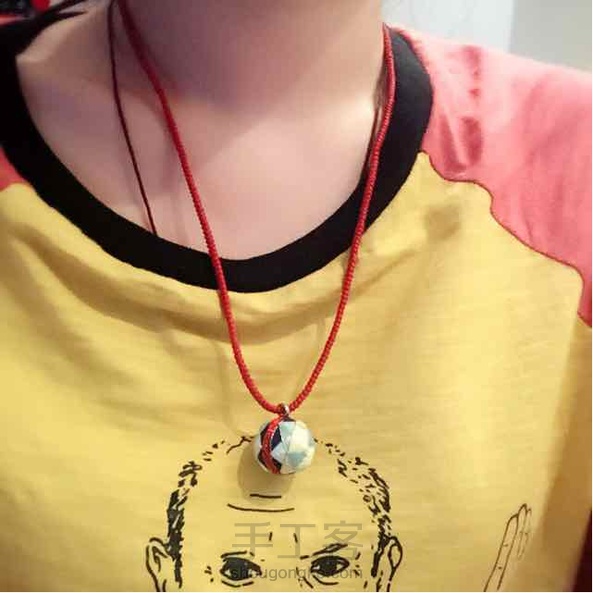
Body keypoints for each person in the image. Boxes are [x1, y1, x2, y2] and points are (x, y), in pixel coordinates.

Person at [0, 0, 590, 590]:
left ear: (384, 565)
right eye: (235, 571)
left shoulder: (572, 160)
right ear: (164, 566)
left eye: (331, 567)